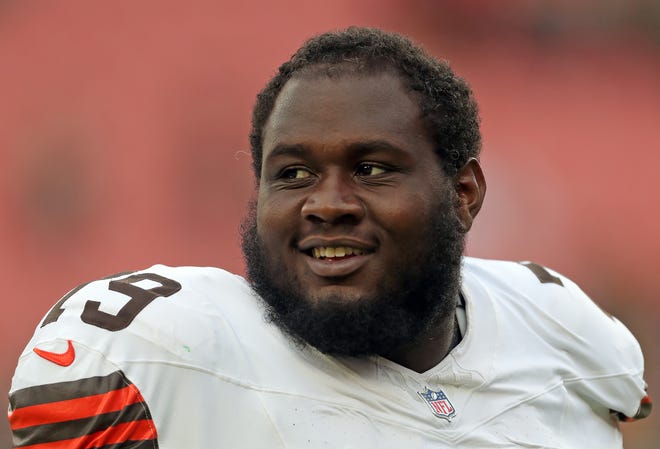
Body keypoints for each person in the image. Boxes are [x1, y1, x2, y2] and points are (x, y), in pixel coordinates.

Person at [7, 27, 651, 448]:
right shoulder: (161, 351)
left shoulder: (561, 331)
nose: (328, 204)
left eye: (371, 169)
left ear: (465, 194)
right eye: (293, 174)